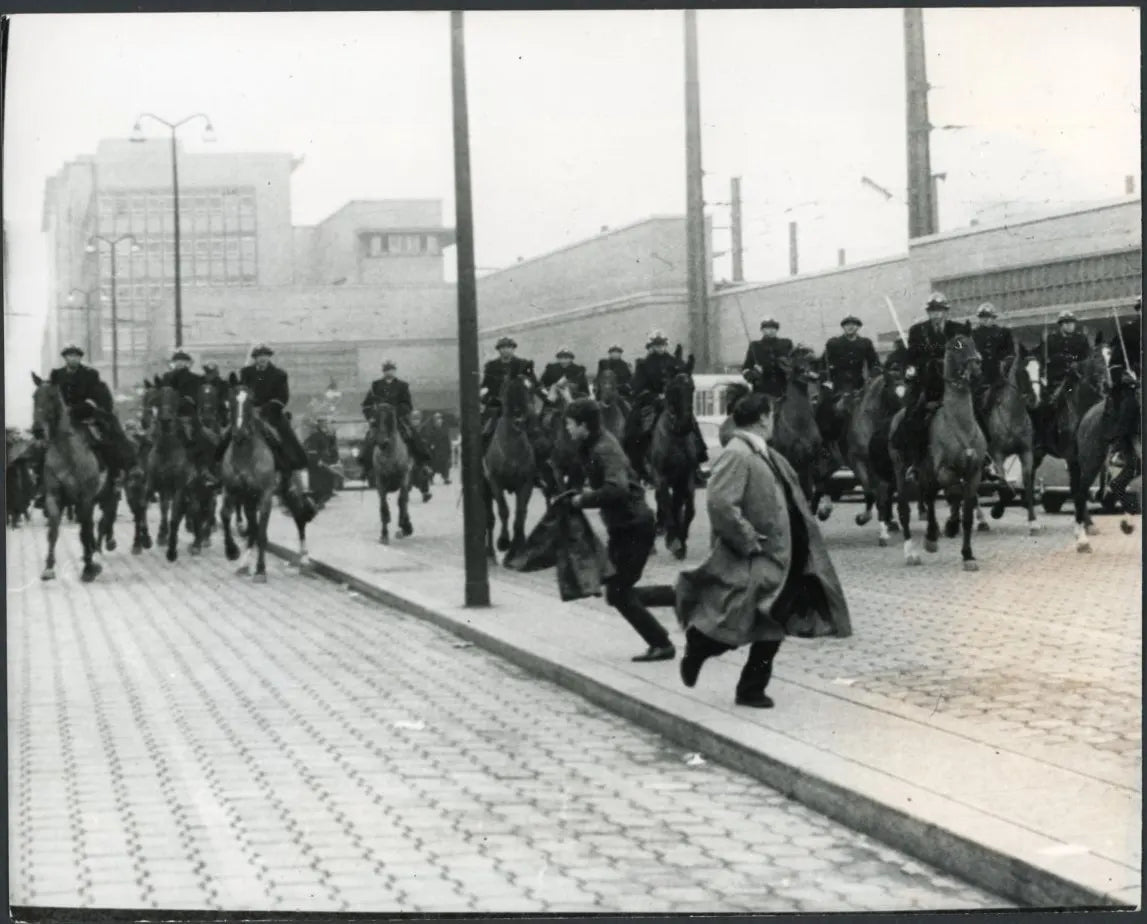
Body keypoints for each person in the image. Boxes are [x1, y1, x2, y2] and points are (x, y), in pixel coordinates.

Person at [675, 393, 850, 708]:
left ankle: (751, 688)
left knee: (773, 622)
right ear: (763, 418)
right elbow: (720, 503)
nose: (773, 421)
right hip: (760, 556)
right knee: (743, 619)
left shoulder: (763, 452)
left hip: (785, 554)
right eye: (771, 415)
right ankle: (700, 646)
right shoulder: (738, 453)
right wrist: (747, 538)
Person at [563, 397, 678, 663]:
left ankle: (662, 642)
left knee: (617, 592)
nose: (567, 429)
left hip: (634, 526)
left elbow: (617, 488)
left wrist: (583, 500)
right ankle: (680, 596)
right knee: (618, 591)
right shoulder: (592, 444)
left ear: (583, 425)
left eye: (569, 424)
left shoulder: (605, 448)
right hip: (622, 527)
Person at [218, 343, 315, 519]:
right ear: (255, 358)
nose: (262, 358)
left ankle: (295, 481)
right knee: (226, 435)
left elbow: (282, 397)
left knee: (287, 439)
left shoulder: (279, 374)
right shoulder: (246, 373)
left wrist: (267, 408)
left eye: (265, 355)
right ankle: (217, 470)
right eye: (259, 356)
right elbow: (240, 392)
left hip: (271, 414)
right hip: (248, 413)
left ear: (269, 357)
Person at [35, 344, 135, 502]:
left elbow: (96, 396)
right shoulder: (57, 375)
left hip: (84, 419)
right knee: (43, 447)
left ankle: (114, 477)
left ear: (80, 358)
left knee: (106, 443)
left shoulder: (90, 374)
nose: (72, 358)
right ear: (65, 358)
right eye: (69, 355)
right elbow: (51, 396)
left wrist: (78, 408)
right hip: (61, 422)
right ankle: (42, 485)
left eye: (75, 356)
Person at [892, 293, 968, 482]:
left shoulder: (956, 330)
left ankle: (985, 458)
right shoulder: (918, 331)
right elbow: (912, 355)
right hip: (927, 382)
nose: (936, 315)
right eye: (933, 311)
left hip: (951, 382)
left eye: (940, 311)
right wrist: (915, 369)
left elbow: (961, 350)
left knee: (978, 412)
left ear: (946, 312)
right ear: (928, 313)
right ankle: (914, 462)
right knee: (913, 415)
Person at [622, 330, 709, 482]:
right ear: (651, 346)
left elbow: (683, 380)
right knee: (634, 427)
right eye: (656, 345)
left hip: (673, 403)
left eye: (662, 344)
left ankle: (695, 464)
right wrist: (654, 397)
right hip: (652, 402)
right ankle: (638, 466)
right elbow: (638, 386)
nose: (660, 348)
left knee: (691, 424)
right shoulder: (644, 364)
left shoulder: (675, 361)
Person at [359, 360, 434, 497]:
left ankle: (422, 463)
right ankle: (365, 466)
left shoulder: (402, 386)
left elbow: (408, 404)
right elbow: (366, 405)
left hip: (397, 419)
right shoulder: (375, 386)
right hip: (380, 419)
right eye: (387, 369)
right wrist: (371, 416)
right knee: (370, 438)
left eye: (392, 369)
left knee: (413, 435)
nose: (390, 372)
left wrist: (395, 411)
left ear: (395, 371)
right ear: (384, 372)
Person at [159, 350, 218, 487]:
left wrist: (183, 401)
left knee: (202, 438)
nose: (179, 363)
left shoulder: (195, 378)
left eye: (182, 361)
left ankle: (203, 468)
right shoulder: (166, 377)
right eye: (176, 361)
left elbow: (196, 398)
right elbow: (161, 394)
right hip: (167, 416)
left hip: (187, 415)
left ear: (188, 364)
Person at [820, 315, 881, 445]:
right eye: (847, 325)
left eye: (854, 324)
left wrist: (872, 376)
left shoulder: (865, 343)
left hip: (860, 385)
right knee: (830, 410)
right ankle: (831, 441)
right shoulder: (834, 343)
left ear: (858, 327)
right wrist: (826, 380)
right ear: (843, 327)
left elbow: (874, 363)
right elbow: (823, 364)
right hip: (839, 385)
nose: (850, 327)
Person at [479, 337, 538, 447]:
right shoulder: (491, 366)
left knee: (533, 422)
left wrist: (527, 386)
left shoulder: (523, 364)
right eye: (502, 347)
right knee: (486, 430)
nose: (506, 350)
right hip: (497, 404)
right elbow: (485, 386)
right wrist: (484, 398)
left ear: (513, 349)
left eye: (509, 347)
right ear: (499, 350)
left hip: (520, 404)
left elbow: (533, 383)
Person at [1105, 297, 1141, 469]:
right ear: (1139, 310)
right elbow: (1114, 363)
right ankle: (1119, 449)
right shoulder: (1128, 331)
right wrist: (1125, 376)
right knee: (1131, 405)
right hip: (1135, 381)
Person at [969, 303, 1016, 425]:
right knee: (974, 404)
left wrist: (1005, 362)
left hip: (999, 376)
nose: (986, 320)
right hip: (979, 378)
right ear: (979, 319)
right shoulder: (972, 335)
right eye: (983, 317)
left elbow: (1011, 353)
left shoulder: (1004, 333)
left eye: (989, 317)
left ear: (994, 318)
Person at [742, 318, 794, 399]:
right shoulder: (755, 346)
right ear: (762, 330)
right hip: (762, 390)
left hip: (783, 389)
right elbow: (746, 368)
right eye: (767, 328)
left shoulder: (786, 344)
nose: (770, 331)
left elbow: (793, 363)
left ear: (777, 330)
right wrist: (754, 374)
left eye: (773, 328)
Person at [303, 415, 341, 508]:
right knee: (318, 486)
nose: (324, 425)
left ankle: (321, 500)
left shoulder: (327, 436)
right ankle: (316, 502)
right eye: (322, 423)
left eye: (325, 423)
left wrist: (334, 459)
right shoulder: (314, 436)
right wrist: (317, 460)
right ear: (319, 425)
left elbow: (331, 449)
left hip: (326, 463)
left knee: (328, 484)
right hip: (316, 464)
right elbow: (311, 450)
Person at [421, 411, 453, 485]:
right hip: (434, 452)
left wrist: (449, 451)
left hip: (443, 451)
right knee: (432, 464)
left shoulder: (445, 429)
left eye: (440, 418)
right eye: (437, 419)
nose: (439, 420)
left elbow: (447, 441)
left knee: (445, 464)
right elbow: (427, 440)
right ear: (434, 420)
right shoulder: (429, 429)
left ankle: (446, 478)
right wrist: (431, 445)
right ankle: (430, 478)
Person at [200, 361, 231, 427]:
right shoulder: (199, 381)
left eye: (211, 372)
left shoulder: (222, 383)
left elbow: (225, 398)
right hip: (201, 409)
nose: (210, 375)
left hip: (218, 409)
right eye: (208, 372)